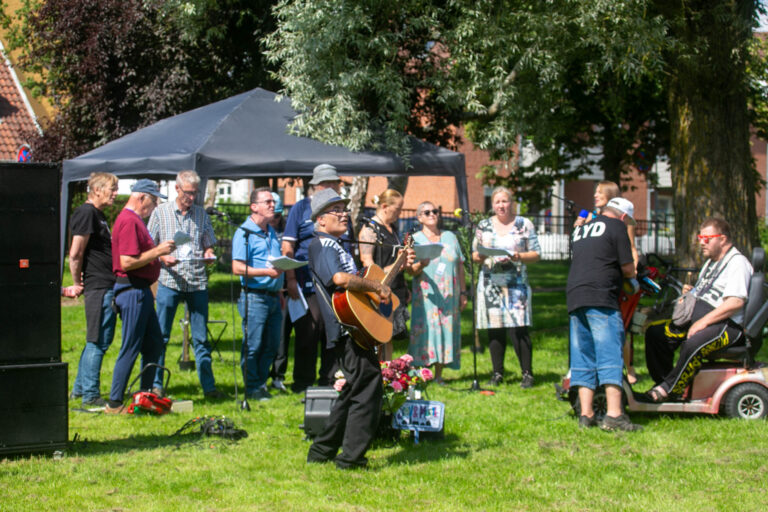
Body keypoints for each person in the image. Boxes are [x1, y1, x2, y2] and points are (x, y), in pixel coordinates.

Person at [306, 188, 413, 469]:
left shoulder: (337, 245)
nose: (344, 214)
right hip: (347, 328)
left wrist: (397, 264)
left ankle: (321, 451)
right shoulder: (323, 245)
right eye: (336, 211)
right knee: (368, 388)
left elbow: (363, 282)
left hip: (353, 325)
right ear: (320, 221)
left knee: (354, 388)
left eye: (344, 209)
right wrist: (376, 286)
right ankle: (351, 458)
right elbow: (340, 279)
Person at [644, 218, 752, 402]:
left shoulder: (737, 263)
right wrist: (692, 293)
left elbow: (734, 302)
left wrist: (703, 322)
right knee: (656, 334)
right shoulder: (710, 263)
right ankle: (664, 382)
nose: (701, 242)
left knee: (693, 343)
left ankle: (668, 390)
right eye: (700, 237)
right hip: (703, 320)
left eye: (707, 238)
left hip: (727, 326)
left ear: (722, 239)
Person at [146, 170, 224, 399]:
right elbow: (149, 247)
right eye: (188, 193)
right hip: (170, 280)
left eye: (195, 193)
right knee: (162, 335)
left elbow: (208, 244)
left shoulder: (201, 215)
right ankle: (156, 385)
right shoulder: (161, 213)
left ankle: (208, 387)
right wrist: (162, 257)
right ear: (177, 189)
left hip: (197, 281)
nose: (191, 197)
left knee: (201, 338)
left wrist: (209, 253)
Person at [567, 201, 642, 431]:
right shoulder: (615, 226)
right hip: (601, 296)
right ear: (622, 218)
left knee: (582, 355)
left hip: (575, 296)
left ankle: (586, 414)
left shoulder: (581, 229)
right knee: (609, 354)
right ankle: (614, 415)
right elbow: (628, 268)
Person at [277, 164, 348, 393]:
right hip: (306, 280)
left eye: (334, 183)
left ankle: (329, 381)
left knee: (333, 331)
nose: (331, 187)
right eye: (326, 184)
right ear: (316, 186)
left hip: (334, 282)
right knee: (308, 332)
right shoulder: (300, 208)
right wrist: (290, 280)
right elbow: (288, 246)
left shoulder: (341, 212)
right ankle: (302, 382)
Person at [106, 179, 175, 414]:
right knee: (131, 346)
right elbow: (126, 262)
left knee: (154, 343)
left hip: (141, 290)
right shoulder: (128, 221)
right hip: (132, 290)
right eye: (154, 201)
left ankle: (143, 396)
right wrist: (158, 251)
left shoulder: (135, 221)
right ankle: (115, 401)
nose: (154, 207)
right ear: (141, 197)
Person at [472, 186, 541, 388]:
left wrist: (518, 256)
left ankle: (527, 373)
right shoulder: (483, 225)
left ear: (512, 203)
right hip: (490, 284)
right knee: (495, 329)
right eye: (497, 202)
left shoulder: (524, 224)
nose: (501, 205)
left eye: (505, 201)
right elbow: (475, 255)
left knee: (519, 329)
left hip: (516, 284)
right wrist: (482, 255)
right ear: (492, 205)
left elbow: (537, 254)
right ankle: (497, 373)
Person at [576, 181, 641, 383]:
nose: (595, 196)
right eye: (595, 192)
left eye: (600, 193)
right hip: (594, 277)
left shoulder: (621, 220)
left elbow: (630, 247)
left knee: (619, 325)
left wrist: (631, 272)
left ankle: (627, 369)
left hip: (616, 276)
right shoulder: (592, 217)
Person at [68, 172, 119, 407]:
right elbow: (76, 252)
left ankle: (79, 390)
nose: (115, 194)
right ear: (97, 190)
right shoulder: (86, 213)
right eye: (112, 189)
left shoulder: (96, 215)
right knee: (97, 340)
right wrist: (77, 281)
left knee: (94, 339)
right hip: (98, 285)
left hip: (103, 284)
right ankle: (90, 394)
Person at [232, 187, 285, 401]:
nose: (272, 205)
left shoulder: (270, 231)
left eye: (273, 202)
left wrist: (279, 288)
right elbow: (237, 267)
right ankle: (251, 387)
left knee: (272, 344)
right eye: (267, 202)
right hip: (254, 296)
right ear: (254, 207)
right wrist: (266, 272)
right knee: (253, 345)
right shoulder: (244, 233)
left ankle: (261, 383)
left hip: (273, 296)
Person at [407, 201, 467, 384]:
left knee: (445, 331)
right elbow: (409, 271)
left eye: (435, 211)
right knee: (424, 331)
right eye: (427, 212)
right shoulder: (415, 239)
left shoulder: (450, 237)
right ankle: (421, 373)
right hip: (426, 295)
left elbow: (460, 265)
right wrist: (421, 264)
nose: (432, 214)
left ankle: (439, 375)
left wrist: (463, 292)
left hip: (449, 294)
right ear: (419, 217)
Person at [359, 188, 409, 362]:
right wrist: (394, 268)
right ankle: (379, 374)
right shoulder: (370, 230)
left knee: (389, 338)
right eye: (398, 209)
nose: (400, 213)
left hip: (396, 289)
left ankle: (387, 374)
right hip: (379, 291)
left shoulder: (392, 228)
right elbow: (367, 263)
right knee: (379, 337)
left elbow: (396, 260)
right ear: (385, 206)